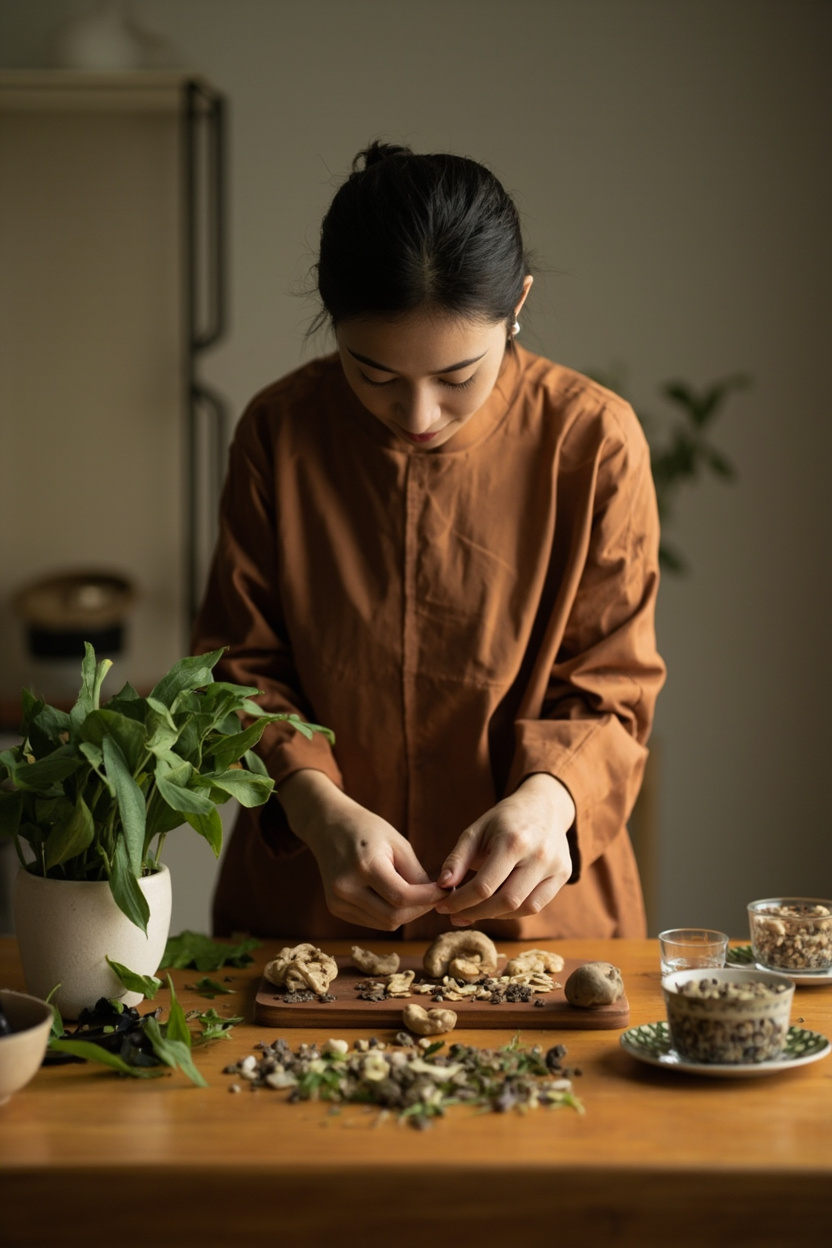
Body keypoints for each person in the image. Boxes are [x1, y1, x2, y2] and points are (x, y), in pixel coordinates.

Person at [191, 141, 666, 943]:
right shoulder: (278, 434)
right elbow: (241, 670)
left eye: (457, 376)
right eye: (372, 374)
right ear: (333, 321)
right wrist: (315, 804)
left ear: (518, 302)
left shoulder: (592, 441)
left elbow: (611, 690)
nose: (416, 415)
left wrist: (551, 797)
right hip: (308, 917)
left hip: (538, 931)